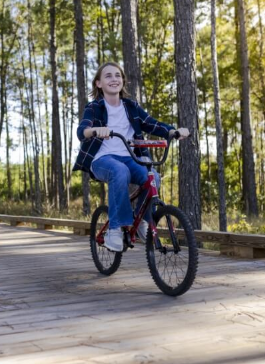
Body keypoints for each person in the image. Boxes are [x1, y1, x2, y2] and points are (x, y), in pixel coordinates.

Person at [72, 62, 189, 252]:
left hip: (129, 158)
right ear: (98, 83)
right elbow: (81, 131)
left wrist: (173, 131)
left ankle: (142, 220)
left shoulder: (130, 107)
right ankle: (116, 229)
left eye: (117, 75)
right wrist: (94, 130)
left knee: (153, 177)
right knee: (120, 171)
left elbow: (152, 124)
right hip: (102, 159)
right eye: (108, 76)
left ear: (122, 81)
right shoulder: (94, 107)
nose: (114, 79)